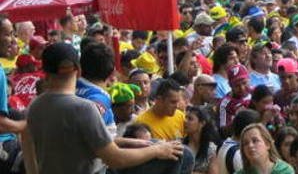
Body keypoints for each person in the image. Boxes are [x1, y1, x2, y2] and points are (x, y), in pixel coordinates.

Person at [22, 42, 185, 174]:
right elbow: (115, 159)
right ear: (78, 71)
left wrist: (141, 144)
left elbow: (30, 155)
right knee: (183, 155)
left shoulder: (34, 106)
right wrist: (157, 150)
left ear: (44, 72)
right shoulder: (84, 108)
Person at [184, 105, 220, 174]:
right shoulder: (179, 145)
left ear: (202, 123)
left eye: (190, 119)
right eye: (186, 117)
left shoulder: (210, 149)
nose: (185, 121)